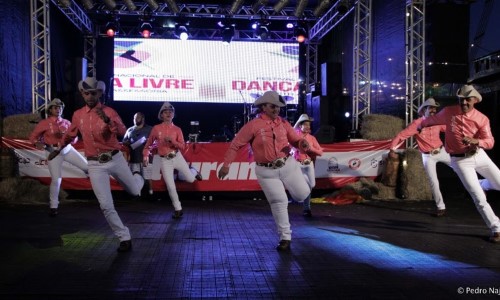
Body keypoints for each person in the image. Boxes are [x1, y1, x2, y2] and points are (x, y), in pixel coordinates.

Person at [218, 91, 311, 251]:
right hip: (266, 172)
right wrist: (226, 165)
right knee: (279, 202)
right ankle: (285, 238)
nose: (277, 110)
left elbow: (295, 140)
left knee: (302, 195)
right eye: (273, 106)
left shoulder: (283, 123)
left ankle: (305, 183)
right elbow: (235, 145)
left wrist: (301, 143)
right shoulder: (253, 126)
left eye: (278, 107)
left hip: (288, 165)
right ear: (263, 107)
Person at [59, 77, 144, 252]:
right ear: (82, 94)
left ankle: (137, 177)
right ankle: (124, 236)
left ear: (99, 93)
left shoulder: (109, 112)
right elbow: (70, 135)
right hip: (95, 163)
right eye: (86, 93)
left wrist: (107, 121)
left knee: (135, 192)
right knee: (106, 205)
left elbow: (121, 132)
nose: (90, 96)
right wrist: (58, 147)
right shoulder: (78, 115)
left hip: (114, 158)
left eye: (93, 93)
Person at [420, 84, 500, 243]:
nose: (463, 103)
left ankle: (482, 184)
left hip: (479, 155)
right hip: (460, 161)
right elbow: (431, 120)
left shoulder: (482, 119)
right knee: (478, 197)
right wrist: (417, 126)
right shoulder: (448, 112)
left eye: (467, 100)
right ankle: (496, 228)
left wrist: (477, 141)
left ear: (475, 100)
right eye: (461, 100)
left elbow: (490, 142)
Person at [390, 98, 451, 217]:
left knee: (459, 166)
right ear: (424, 110)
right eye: (430, 108)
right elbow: (401, 136)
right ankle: (441, 207)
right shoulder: (416, 124)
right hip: (428, 156)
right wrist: (392, 149)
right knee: (433, 181)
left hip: (441, 151)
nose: (433, 110)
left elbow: (450, 129)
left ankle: (479, 185)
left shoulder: (438, 121)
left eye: (435, 108)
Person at [29, 98, 88, 217]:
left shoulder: (66, 122)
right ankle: (53, 206)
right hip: (53, 151)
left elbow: (75, 139)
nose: (58, 109)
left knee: (87, 167)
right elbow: (33, 137)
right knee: (56, 179)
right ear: (50, 110)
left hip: (67, 149)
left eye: (60, 107)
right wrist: (37, 143)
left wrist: (70, 137)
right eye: (55, 107)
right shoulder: (44, 123)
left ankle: (102, 193)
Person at [143, 102, 200, 219]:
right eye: (166, 112)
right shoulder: (156, 128)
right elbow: (148, 145)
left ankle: (194, 171)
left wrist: (173, 142)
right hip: (164, 160)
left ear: (173, 114)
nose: (168, 113)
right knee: (170, 186)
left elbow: (183, 146)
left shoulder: (177, 129)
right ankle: (178, 209)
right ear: (161, 115)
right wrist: (145, 155)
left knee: (190, 179)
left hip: (177, 157)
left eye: (170, 111)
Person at [292, 114, 324, 217]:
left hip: (308, 164)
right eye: (305, 124)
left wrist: (311, 149)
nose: (307, 127)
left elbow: (320, 152)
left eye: (309, 125)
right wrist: (292, 150)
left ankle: (301, 196)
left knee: (312, 185)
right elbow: (287, 144)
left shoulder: (312, 138)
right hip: (297, 164)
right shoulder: (295, 136)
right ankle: (307, 208)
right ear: (300, 125)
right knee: (306, 187)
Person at [123, 112, 154, 196]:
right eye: (134, 118)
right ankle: (137, 194)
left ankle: (151, 193)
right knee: (135, 176)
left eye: (138, 118)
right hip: (134, 157)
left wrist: (148, 141)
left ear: (143, 119)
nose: (135, 119)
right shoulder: (129, 130)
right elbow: (124, 141)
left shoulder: (150, 129)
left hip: (146, 157)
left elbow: (155, 140)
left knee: (148, 177)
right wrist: (128, 143)